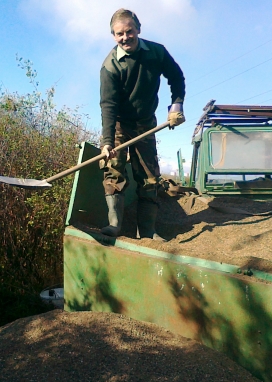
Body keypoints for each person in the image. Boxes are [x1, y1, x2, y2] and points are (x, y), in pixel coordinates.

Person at [99, 8, 185, 240]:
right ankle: (114, 225)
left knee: (149, 176)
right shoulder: (110, 67)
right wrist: (107, 142)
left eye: (129, 32)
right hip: (119, 124)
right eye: (119, 34)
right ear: (113, 35)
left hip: (146, 123)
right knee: (113, 169)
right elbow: (108, 106)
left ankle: (147, 231)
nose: (125, 37)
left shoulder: (156, 53)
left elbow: (176, 77)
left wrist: (176, 106)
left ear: (138, 29)